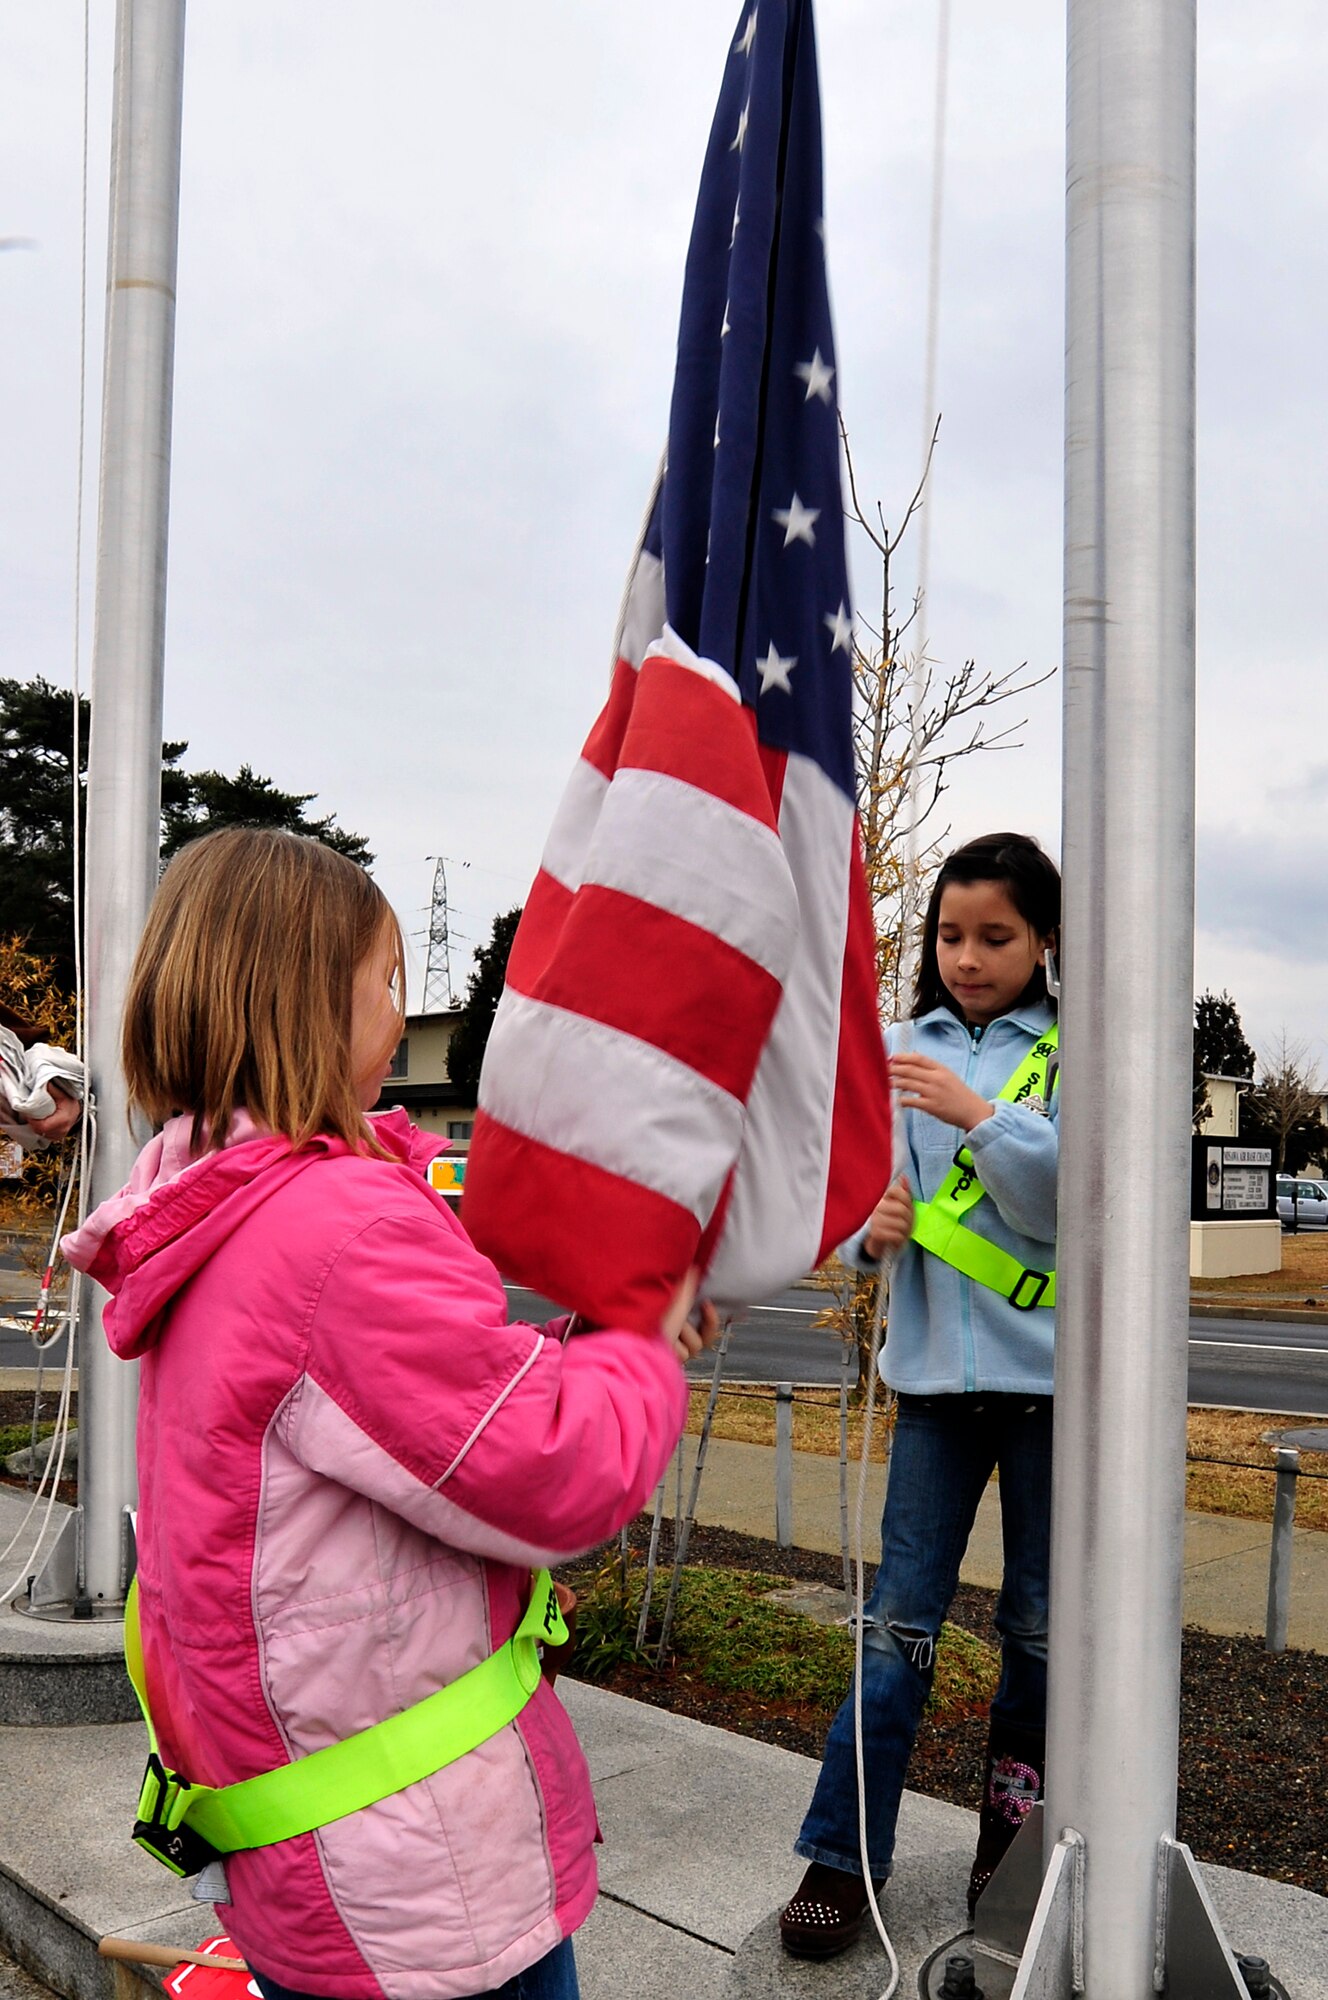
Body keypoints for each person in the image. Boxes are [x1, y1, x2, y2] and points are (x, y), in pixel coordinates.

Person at [62, 827, 715, 2000]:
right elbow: (550, 1471)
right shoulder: (339, 1229)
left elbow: (413, 1426)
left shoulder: (207, 1194)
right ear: (308, 1000)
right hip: (417, 1883)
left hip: (303, 1834)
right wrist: (640, 1346)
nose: (397, 1005)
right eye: (387, 981)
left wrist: (579, 1348)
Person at [779, 831, 1061, 1959]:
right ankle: (841, 1855)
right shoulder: (897, 1052)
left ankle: (1013, 1842)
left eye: (994, 935)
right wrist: (862, 1232)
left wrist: (976, 1113)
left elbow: (1061, 1208)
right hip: (933, 1392)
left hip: (1053, 1396)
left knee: (1038, 1634)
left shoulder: (1075, 1051)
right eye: (950, 934)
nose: (967, 956)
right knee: (894, 1628)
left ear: (1044, 940)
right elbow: (844, 1207)